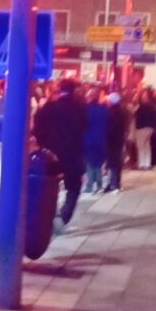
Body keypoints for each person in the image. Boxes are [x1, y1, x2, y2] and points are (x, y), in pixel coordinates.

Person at [34, 79, 87, 228]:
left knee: (50, 187)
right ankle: (63, 216)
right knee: (74, 187)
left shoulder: (50, 107)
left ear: (59, 90)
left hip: (52, 154)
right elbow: (84, 129)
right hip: (72, 153)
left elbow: (37, 127)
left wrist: (43, 143)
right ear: (73, 90)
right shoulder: (80, 108)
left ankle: (49, 215)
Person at [83, 88, 108, 194]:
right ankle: (99, 184)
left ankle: (89, 186)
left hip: (88, 139)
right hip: (101, 139)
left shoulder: (85, 109)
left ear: (90, 97)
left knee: (89, 163)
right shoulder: (104, 110)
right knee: (98, 163)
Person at [105, 92, 127, 193]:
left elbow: (111, 129)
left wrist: (106, 136)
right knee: (116, 162)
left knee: (113, 163)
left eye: (108, 100)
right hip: (118, 140)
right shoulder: (120, 112)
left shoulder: (113, 113)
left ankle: (114, 184)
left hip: (113, 141)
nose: (107, 101)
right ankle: (115, 183)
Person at [134, 88, 156, 170]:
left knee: (141, 146)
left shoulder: (142, 106)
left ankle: (142, 164)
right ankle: (147, 163)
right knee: (147, 146)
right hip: (149, 127)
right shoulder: (152, 106)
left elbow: (137, 115)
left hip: (141, 127)